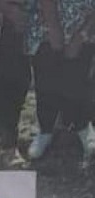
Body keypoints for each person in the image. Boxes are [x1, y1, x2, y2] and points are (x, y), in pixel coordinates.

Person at [24, 0, 95, 168]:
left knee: (79, 77)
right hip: (48, 21)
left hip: (87, 23)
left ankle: (83, 127)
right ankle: (46, 130)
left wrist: (82, 33)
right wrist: (53, 26)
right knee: (46, 73)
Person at [0, 0, 34, 164]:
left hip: (11, 17)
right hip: (2, 18)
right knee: (13, 79)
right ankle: (7, 146)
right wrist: (10, 10)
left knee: (4, 78)